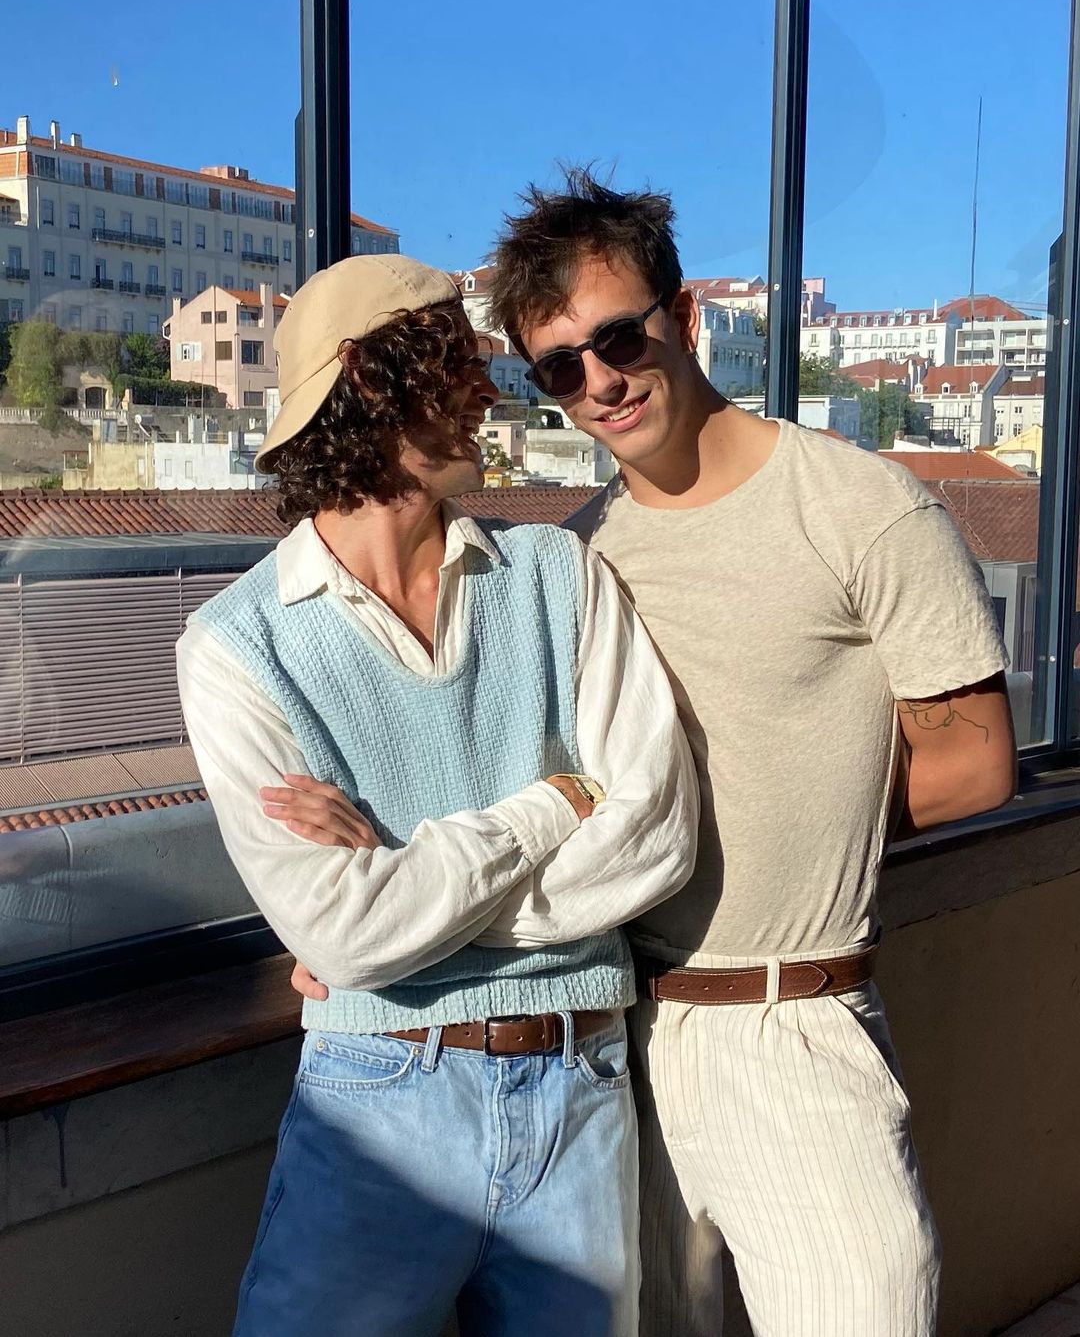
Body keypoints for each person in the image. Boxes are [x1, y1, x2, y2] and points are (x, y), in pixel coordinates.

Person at [478, 171, 1017, 1337]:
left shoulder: (860, 506)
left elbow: (976, 760)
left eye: (618, 338)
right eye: (559, 367)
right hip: (615, 1031)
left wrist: (798, 802)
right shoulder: (581, 556)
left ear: (681, 314)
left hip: (798, 1021)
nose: (599, 381)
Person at [175, 254, 698, 1337]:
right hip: (377, 1104)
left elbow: (656, 836)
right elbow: (342, 932)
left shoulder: (557, 573)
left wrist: (404, 886)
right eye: (456, 364)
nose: (488, 391)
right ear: (372, 383)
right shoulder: (233, 646)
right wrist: (552, 806)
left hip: (579, 1086)